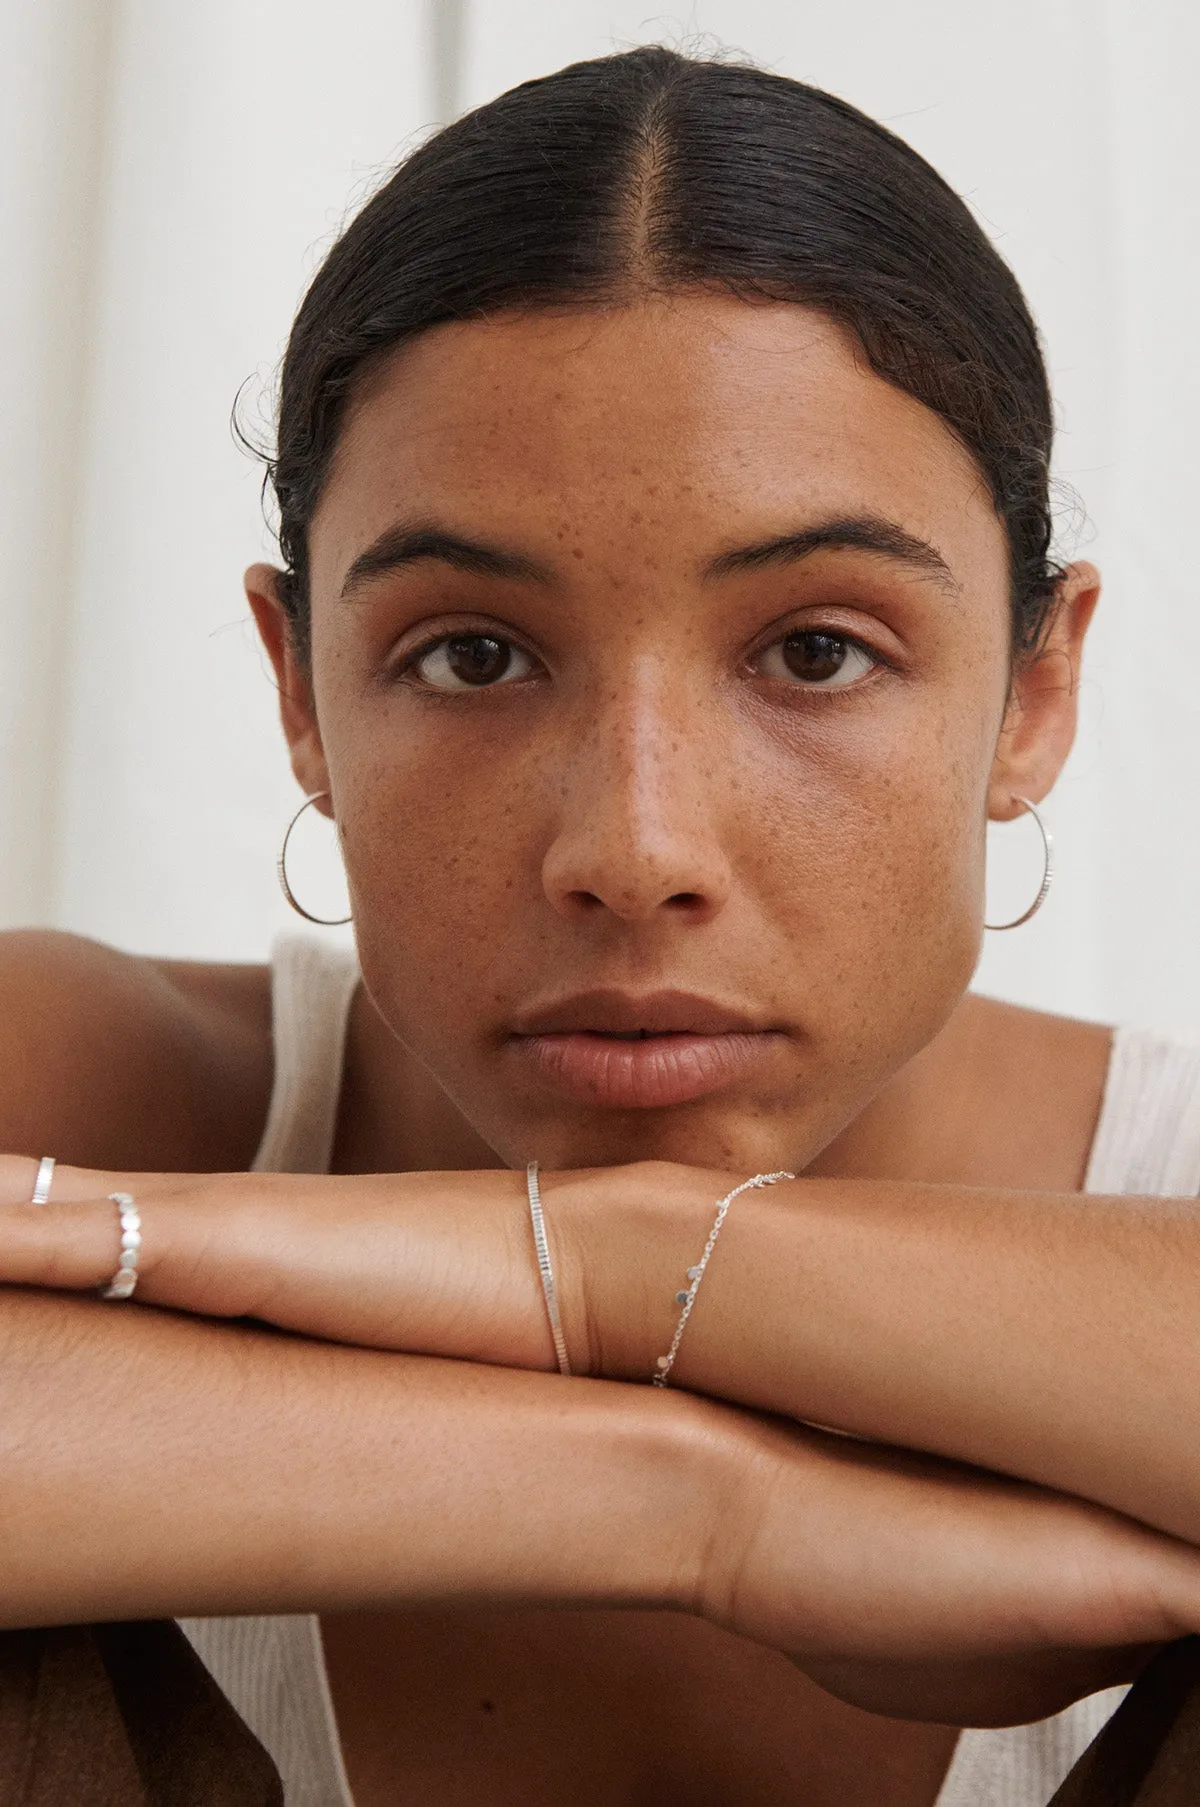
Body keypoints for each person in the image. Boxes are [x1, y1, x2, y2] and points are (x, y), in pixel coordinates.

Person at [2, 43, 1200, 1807]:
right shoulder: (95, 1080)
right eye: (472, 654)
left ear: (1035, 689)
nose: (634, 849)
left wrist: (624, 1261)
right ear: (303, 694)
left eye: (815, 651)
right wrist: (701, 1504)